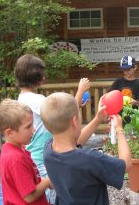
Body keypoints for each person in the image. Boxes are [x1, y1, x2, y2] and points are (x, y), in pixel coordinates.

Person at [14, 54, 90, 204]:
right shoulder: (37, 101)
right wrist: (80, 91)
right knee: (53, 197)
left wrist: (76, 104)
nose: (45, 76)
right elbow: (66, 120)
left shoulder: (22, 98)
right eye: (42, 72)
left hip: (35, 158)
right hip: (43, 161)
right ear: (35, 75)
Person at [40, 92, 132, 205]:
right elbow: (126, 165)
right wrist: (119, 129)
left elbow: (74, 141)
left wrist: (98, 119)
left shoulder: (48, 150)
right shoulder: (90, 159)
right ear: (74, 121)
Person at [0, 99, 52, 205]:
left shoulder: (15, 150)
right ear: (10, 132)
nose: (34, 129)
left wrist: (42, 180)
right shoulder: (15, 158)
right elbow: (29, 197)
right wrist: (46, 182)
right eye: (28, 126)